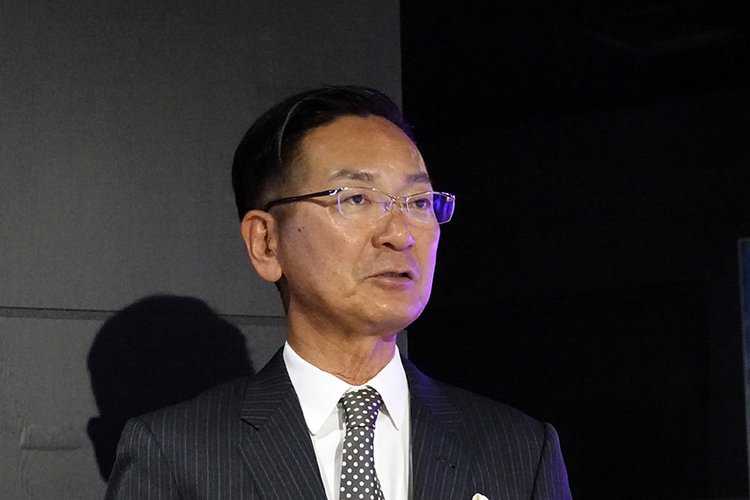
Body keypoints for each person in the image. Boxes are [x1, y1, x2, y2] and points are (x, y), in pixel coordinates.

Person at [105, 85, 572, 499]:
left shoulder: (519, 451)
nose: (399, 234)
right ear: (265, 242)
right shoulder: (177, 454)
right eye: (356, 198)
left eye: (418, 202)